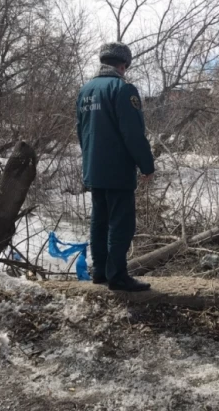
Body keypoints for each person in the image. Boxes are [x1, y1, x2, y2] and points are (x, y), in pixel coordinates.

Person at [76, 42, 155, 292]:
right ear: (123, 65)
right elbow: (132, 133)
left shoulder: (85, 91)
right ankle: (118, 276)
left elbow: (81, 131)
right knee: (121, 224)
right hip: (118, 170)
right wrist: (146, 165)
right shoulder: (122, 89)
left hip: (93, 169)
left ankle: (100, 271)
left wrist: (89, 160)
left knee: (99, 221)